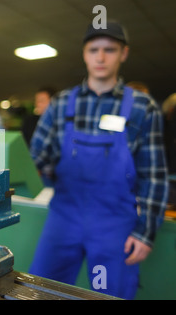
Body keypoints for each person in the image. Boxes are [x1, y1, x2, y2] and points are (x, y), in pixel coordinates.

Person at [28, 21, 168, 300]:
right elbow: (36, 158)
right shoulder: (61, 104)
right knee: (41, 290)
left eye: (109, 50)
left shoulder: (143, 107)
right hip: (64, 217)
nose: (101, 57)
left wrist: (145, 232)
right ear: (84, 54)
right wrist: (42, 167)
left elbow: (154, 175)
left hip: (114, 224)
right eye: (94, 50)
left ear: (123, 53)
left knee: (109, 294)